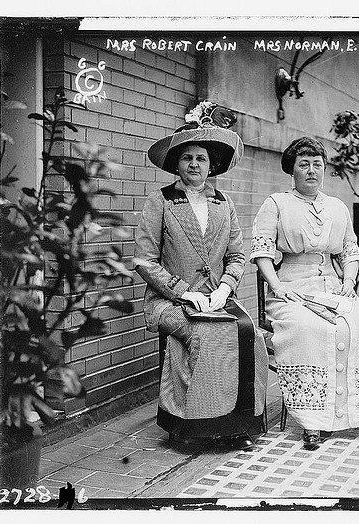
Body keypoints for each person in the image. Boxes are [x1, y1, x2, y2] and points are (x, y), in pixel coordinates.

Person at [135, 101, 268, 451]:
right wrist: (182, 292)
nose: (195, 164)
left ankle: (238, 424)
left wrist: (226, 287)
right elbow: (144, 261)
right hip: (169, 301)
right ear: (177, 164)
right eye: (187, 158)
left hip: (216, 297)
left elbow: (237, 255)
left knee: (249, 334)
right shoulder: (161, 201)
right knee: (206, 335)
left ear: (211, 166)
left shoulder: (224, 203)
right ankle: (191, 426)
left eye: (202, 159)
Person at [251, 137, 359, 450]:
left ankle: (356, 410)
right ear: (292, 171)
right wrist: (278, 286)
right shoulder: (276, 203)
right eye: (304, 165)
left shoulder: (336, 207)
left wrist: (349, 282)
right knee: (311, 329)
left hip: (333, 287)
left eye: (317, 165)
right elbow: (262, 252)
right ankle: (313, 421)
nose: (311, 171)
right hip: (291, 290)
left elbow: (350, 250)